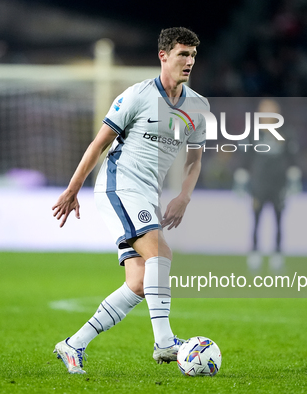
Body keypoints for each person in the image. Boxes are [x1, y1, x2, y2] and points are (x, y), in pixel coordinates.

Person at [51, 27, 208, 374]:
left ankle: (73, 344)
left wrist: (184, 195)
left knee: (138, 283)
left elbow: (195, 159)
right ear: (163, 56)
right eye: (183, 54)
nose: (190, 61)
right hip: (118, 185)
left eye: (193, 55)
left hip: (147, 195)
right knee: (161, 254)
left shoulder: (197, 106)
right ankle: (165, 344)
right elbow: (99, 144)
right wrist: (73, 188)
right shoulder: (136, 96)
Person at [238, 99, 301, 272]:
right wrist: (241, 180)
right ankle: (255, 254)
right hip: (259, 185)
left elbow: (292, 159)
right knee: (256, 220)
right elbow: (245, 159)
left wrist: (294, 178)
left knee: (279, 221)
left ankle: (277, 256)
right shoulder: (253, 134)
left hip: (279, 186)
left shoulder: (286, 134)